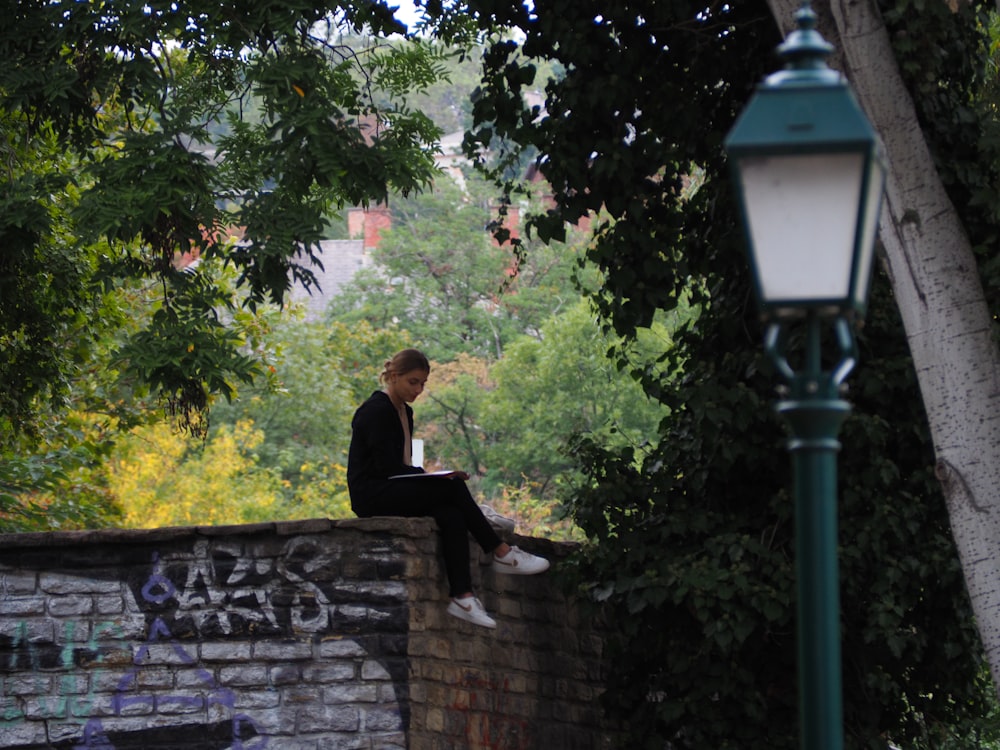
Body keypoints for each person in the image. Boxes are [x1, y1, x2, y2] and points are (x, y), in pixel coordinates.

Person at [347, 348, 549, 629]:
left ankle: (462, 596)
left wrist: (428, 478)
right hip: (372, 494)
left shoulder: (405, 411)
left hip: (392, 485)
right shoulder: (376, 411)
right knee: (452, 486)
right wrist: (431, 478)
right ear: (393, 376)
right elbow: (387, 469)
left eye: (423, 384)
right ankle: (501, 551)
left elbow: (400, 468)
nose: (419, 389)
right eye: (413, 382)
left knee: (451, 515)